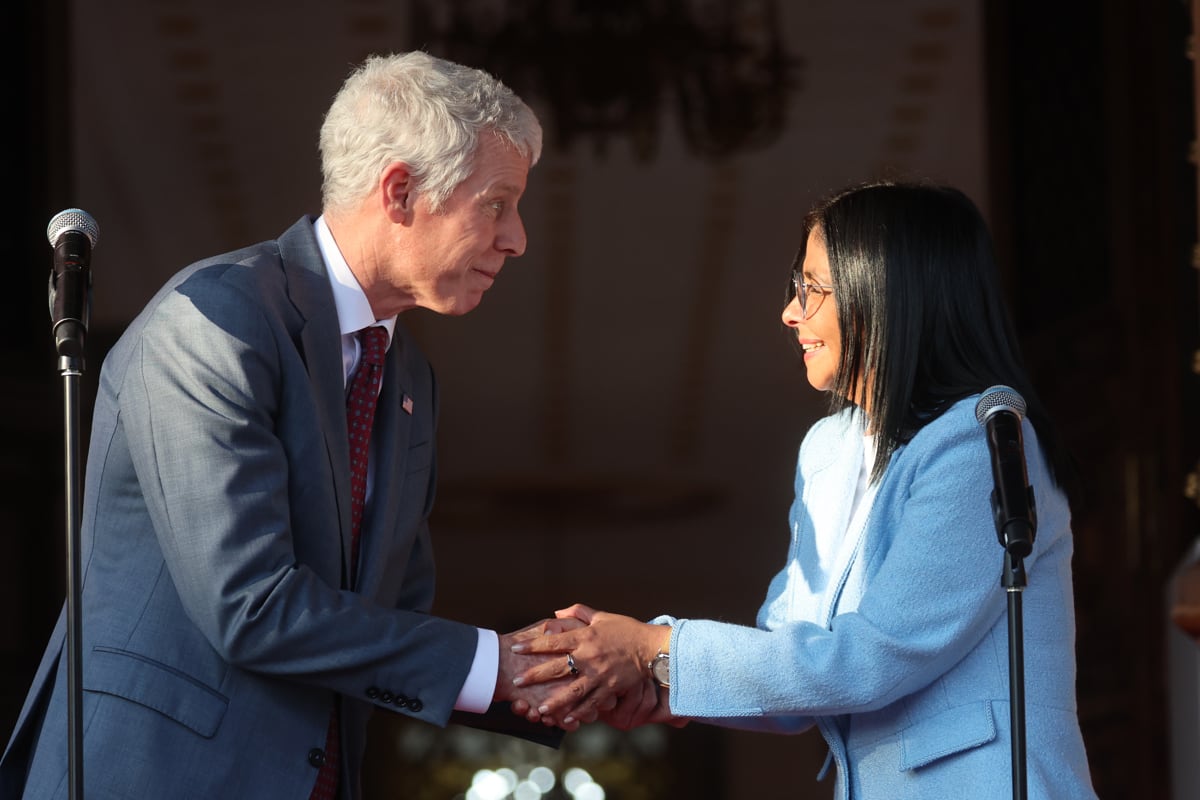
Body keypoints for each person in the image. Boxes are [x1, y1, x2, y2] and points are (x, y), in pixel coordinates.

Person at [1, 51, 574, 800]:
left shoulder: (407, 377)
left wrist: (562, 681)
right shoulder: (213, 323)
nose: (517, 238)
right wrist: (506, 666)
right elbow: (251, 606)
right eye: (496, 203)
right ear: (400, 191)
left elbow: (393, 620)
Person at [511, 182, 1098, 798]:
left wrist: (655, 649)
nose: (790, 313)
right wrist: (649, 675)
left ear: (888, 292)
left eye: (812, 289)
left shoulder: (975, 441)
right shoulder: (829, 450)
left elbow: (871, 659)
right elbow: (799, 665)